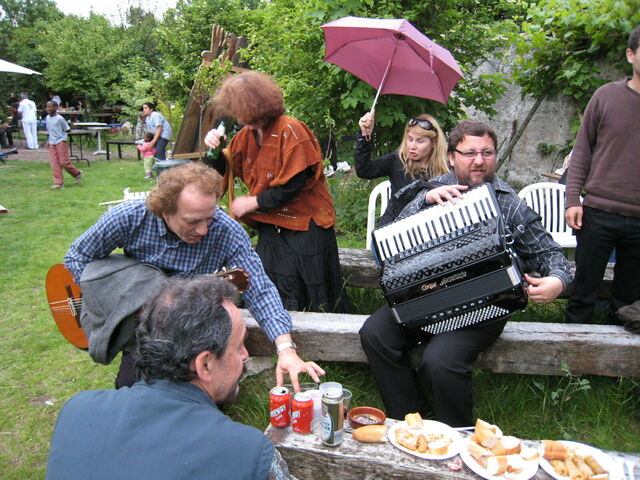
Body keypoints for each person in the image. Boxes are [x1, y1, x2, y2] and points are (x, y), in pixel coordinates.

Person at [359, 119, 572, 427]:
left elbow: (550, 253)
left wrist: (557, 281)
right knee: (375, 333)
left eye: (487, 153)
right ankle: (411, 417)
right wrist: (422, 202)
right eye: (469, 153)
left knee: (439, 361)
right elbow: (388, 236)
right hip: (425, 298)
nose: (479, 161)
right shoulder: (430, 191)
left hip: (485, 307)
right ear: (451, 157)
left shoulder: (508, 203)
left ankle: (457, 434)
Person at [65, 161, 323, 391]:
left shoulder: (225, 232)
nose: (203, 230)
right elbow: (77, 257)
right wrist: (108, 299)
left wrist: (285, 348)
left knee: (201, 393)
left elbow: (259, 289)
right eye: (192, 221)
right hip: (141, 333)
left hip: (193, 330)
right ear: (164, 210)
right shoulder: (130, 217)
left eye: (208, 218)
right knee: (130, 387)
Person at [46, 275, 291, 480]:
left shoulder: (76, 410)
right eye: (238, 347)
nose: (245, 355)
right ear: (205, 365)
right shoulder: (249, 454)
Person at [204, 71, 349, 313]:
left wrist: (254, 202)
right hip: (270, 222)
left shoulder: (291, 129)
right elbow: (224, 170)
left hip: (306, 222)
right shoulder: (246, 136)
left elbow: (294, 184)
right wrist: (215, 151)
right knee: (269, 280)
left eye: (239, 109)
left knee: (315, 294)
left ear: (255, 105)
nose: (236, 115)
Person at [564, 25, 640, 330]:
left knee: (628, 301)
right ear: (630, 55)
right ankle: (572, 350)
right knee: (583, 293)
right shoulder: (606, 96)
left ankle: (619, 356)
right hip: (597, 213)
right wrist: (572, 199)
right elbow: (582, 151)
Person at [355, 111, 450, 227]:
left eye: (420, 141)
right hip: (393, 227)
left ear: (434, 143)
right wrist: (364, 136)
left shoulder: (446, 168)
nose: (412, 146)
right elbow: (364, 170)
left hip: (429, 229)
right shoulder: (397, 160)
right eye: (410, 139)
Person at [44, 101, 83, 190]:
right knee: (54, 163)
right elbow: (49, 131)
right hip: (52, 142)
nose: (47, 109)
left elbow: (67, 129)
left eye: (49, 107)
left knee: (63, 162)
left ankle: (77, 173)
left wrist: (61, 136)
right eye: (47, 107)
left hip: (61, 141)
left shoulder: (60, 119)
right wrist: (48, 141)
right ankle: (59, 183)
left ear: (55, 108)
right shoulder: (47, 118)